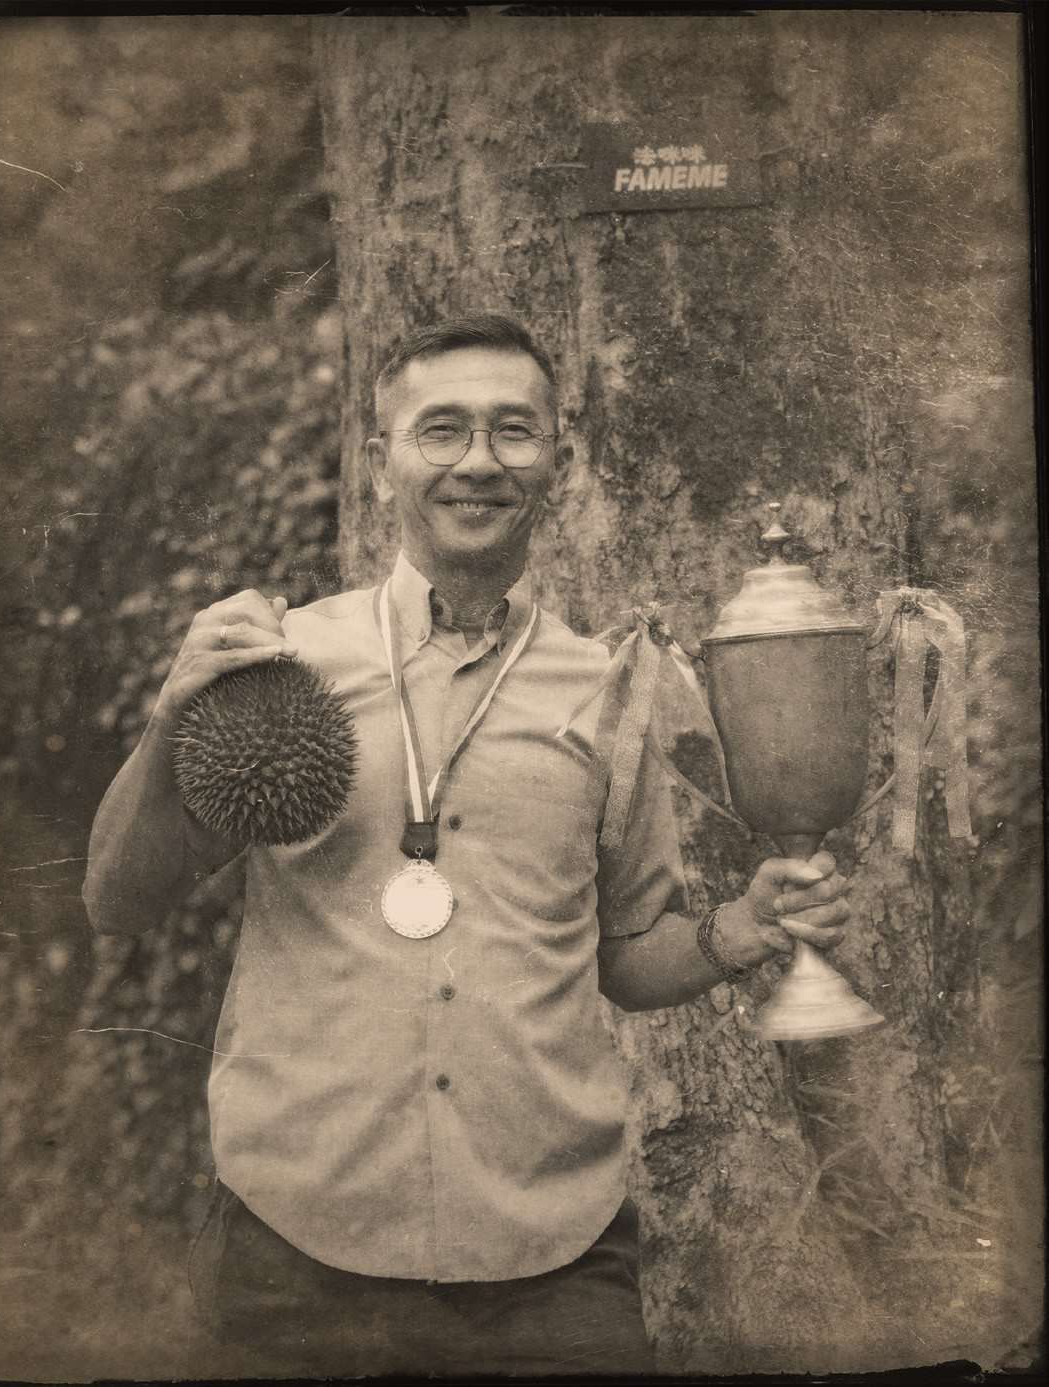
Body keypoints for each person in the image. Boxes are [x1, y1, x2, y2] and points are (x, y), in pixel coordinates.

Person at [83, 314, 851, 1377]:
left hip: (550, 1258)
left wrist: (737, 930)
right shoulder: (280, 663)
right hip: (298, 1246)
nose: (479, 460)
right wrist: (171, 716)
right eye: (441, 429)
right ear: (380, 460)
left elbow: (626, 954)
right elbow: (118, 900)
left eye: (513, 430)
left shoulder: (605, 687)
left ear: (557, 463)